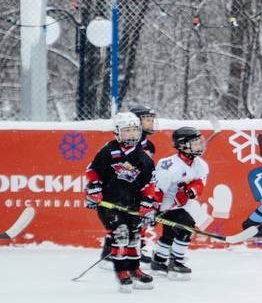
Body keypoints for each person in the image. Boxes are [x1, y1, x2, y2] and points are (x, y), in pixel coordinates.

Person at [85, 112, 158, 292]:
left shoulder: (144, 157)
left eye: (135, 130)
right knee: (121, 233)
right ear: (117, 132)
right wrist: (94, 189)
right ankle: (122, 272)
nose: (132, 134)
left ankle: (134, 269)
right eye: (127, 131)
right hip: (110, 205)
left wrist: (147, 203)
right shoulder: (108, 150)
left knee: (134, 237)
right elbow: (92, 171)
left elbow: (150, 184)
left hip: (132, 205)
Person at [150, 127, 208, 279]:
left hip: (179, 206)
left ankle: (159, 261)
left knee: (169, 234)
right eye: (195, 143)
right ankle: (176, 262)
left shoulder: (200, 164)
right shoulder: (168, 165)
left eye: (199, 142)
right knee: (187, 227)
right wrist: (153, 208)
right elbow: (157, 188)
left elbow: (200, 183)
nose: (199, 146)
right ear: (182, 145)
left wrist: (192, 190)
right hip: (166, 207)